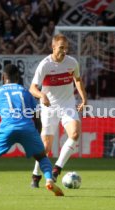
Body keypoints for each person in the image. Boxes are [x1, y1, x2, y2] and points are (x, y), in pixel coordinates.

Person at [0, 64, 64, 196]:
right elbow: (37, 118)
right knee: (42, 157)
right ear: (18, 78)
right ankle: (49, 179)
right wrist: (36, 136)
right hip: (27, 128)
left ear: (3, 77)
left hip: (7, 128)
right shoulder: (26, 92)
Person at [29, 34, 87, 188]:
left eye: (66, 47)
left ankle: (56, 170)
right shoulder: (45, 65)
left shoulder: (72, 62)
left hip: (67, 105)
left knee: (75, 133)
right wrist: (42, 95)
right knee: (46, 147)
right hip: (49, 108)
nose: (64, 50)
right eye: (61, 47)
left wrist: (83, 98)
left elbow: (78, 80)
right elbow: (32, 88)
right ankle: (36, 175)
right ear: (53, 47)